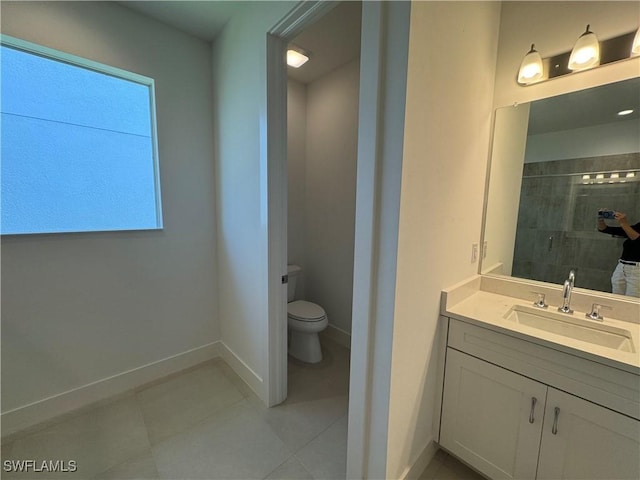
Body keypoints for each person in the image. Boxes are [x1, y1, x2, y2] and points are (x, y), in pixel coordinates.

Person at [597, 209, 640, 297]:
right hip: (622, 267)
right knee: (616, 299)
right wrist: (600, 219)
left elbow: (638, 240)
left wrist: (623, 223)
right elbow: (605, 229)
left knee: (631, 303)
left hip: (637, 270)